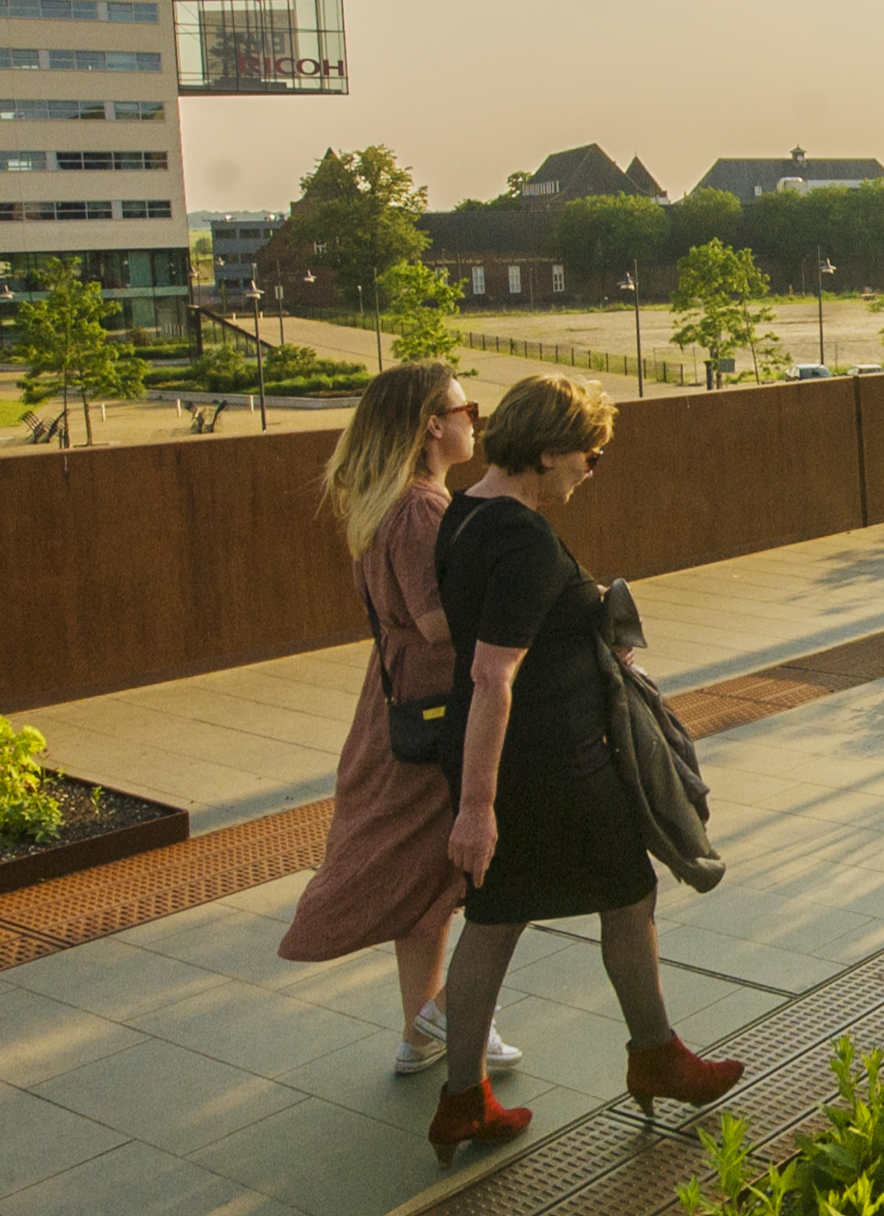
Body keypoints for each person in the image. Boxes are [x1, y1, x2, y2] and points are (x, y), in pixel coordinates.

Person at [422, 374, 742, 1162]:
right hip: (551, 764)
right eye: (590, 456)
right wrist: (476, 808)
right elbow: (495, 674)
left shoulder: (467, 514)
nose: (591, 471)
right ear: (551, 448)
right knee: (628, 898)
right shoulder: (526, 539)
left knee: (493, 921)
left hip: (502, 757)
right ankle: (655, 1055)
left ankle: (462, 1100)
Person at [278, 362, 524, 1077]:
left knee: (424, 877)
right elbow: (437, 621)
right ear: (430, 426)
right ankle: (452, 1016)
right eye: (464, 407)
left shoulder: (391, 501)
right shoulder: (422, 509)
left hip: (398, 701)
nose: (474, 418)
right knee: (465, 861)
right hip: (433, 704)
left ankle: (422, 1031)